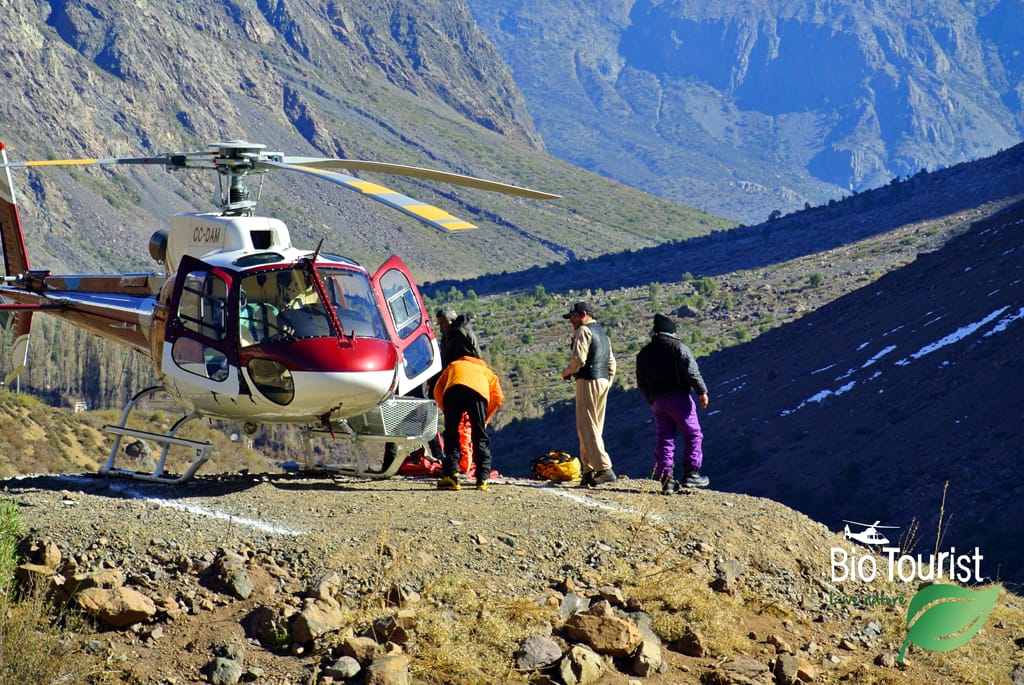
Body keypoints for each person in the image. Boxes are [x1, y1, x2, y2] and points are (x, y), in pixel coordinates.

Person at [635, 314, 710, 493]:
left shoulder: (644, 353)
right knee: (693, 434)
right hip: (679, 398)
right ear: (672, 332)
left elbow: (641, 381)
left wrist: (651, 400)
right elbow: (692, 372)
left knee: (665, 438)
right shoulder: (678, 347)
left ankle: (666, 479)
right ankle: (691, 474)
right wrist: (702, 392)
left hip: (658, 401)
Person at [560, 301, 617, 487]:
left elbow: (578, 359)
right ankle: (588, 471)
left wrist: (567, 372)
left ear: (583, 314)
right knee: (595, 427)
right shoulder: (603, 334)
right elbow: (612, 364)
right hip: (602, 381)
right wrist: (607, 382)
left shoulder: (583, 331)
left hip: (587, 381)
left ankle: (603, 468)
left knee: (586, 427)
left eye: (574, 317)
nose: (571, 321)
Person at [432, 354, 504, 491]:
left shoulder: (454, 365)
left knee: (451, 435)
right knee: (479, 436)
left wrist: (446, 410)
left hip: (453, 391)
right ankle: (482, 479)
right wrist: (485, 419)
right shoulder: (487, 372)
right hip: (478, 395)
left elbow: (437, 390)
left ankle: (452, 477)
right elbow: (498, 397)